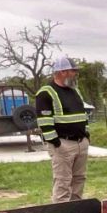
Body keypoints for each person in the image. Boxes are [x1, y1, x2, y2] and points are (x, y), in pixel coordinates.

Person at [35, 55, 90, 202]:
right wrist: (56, 143)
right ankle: (61, 212)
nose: (75, 74)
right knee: (63, 182)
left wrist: (86, 135)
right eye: (73, 71)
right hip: (63, 144)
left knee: (79, 179)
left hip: (81, 143)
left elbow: (83, 114)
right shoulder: (46, 93)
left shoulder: (75, 91)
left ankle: (76, 210)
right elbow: (44, 121)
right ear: (62, 72)